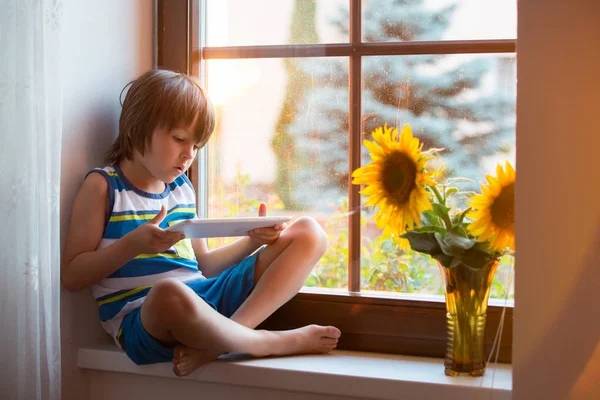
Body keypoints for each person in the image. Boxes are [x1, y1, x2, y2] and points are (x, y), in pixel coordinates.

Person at [61, 69, 341, 377]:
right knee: (168, 293)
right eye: (180, 139)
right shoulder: (104, 186)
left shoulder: (182, 189)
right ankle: (267, 342)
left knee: (309, 233)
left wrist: (252, 241)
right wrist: (133, 245)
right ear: (134, 128)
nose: (187, 155)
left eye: (196, 146)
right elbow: (73, 275)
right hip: (145, 320)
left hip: (202, 300)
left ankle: (220, 344)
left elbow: (204, 266)